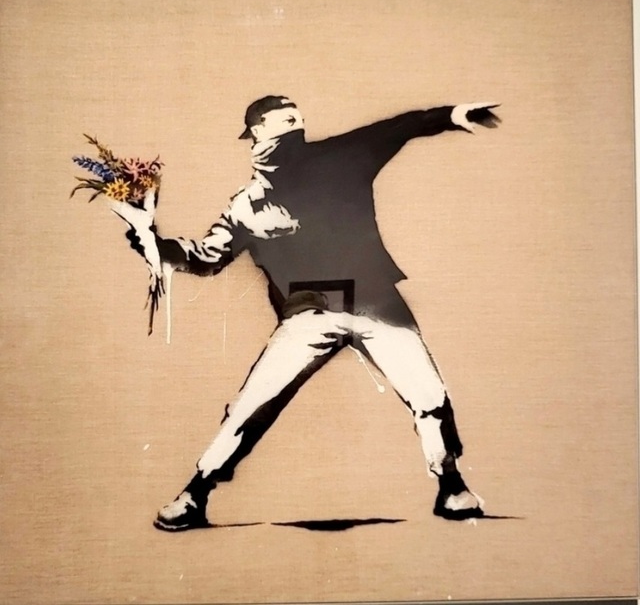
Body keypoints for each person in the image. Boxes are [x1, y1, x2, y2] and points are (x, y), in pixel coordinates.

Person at [117, 95, 501, 531]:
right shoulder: (246, 204)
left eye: (296, 118)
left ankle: (451, 485)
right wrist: (154, 246)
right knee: (251, 406)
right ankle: (195, 493)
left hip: (375, 303)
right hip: (308, 313)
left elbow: (400, 126)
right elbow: (205, 257)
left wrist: (450, 116)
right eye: (282, 119)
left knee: (429, 394)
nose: (293, 124)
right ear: (257, 132)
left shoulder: (343, 157)